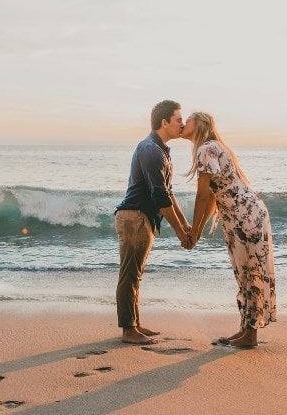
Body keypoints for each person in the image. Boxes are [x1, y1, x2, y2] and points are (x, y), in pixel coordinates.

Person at [182, 111, 276, 348]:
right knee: (244, 272)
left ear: (200, 124)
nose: (184, 123)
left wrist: (193, 231)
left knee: (250, 271)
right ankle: (246, 328)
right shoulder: (212, 147)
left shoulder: (207, 149)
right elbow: (213, 196)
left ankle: (251, 334)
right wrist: (199, 230)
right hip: (243, 215)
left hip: (244, 216)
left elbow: (203, 196)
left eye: (188, 119)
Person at [114, 100, 192, 345]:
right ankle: (128, 330)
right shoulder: (150, 150)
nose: (183, 124)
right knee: (130, 274)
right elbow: (160, 196)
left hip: (141, 218)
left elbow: (168, 193)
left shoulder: (160, 150)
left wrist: (185, 225)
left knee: (135, 274)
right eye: (179, 120)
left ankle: (134, 325)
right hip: (134, 218)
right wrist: (180, 232)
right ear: (164, 122)